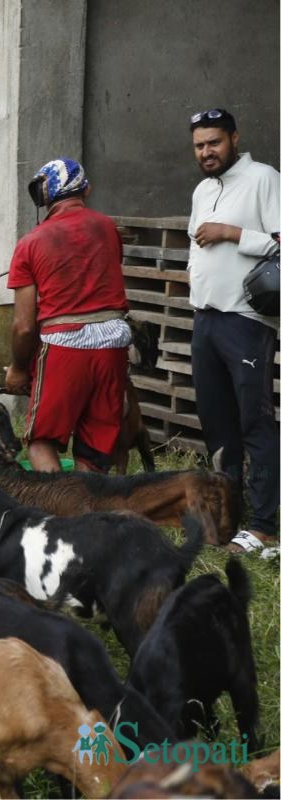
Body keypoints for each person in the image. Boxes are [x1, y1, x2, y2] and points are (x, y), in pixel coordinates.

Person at [186, 108, 280, 555]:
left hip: (246, 320)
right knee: (217, 423)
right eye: (199, 145)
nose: (206, 152)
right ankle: (228, 517)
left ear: (234, 139)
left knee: (254, 422)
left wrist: (231, 232)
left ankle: (264, 527)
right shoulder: (202, 189)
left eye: (214, 142)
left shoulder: (263, 178)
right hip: (205, 319)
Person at [4, 158, 131, 473]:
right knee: (95, 448)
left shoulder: (31, 243)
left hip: (64, 345)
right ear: (85, 190)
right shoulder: (108, 228)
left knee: (41, 441)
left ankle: (58, 504)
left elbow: (23, 326)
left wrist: (18, 369)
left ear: (43, 199)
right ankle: (89, 503)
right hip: (114, 343)